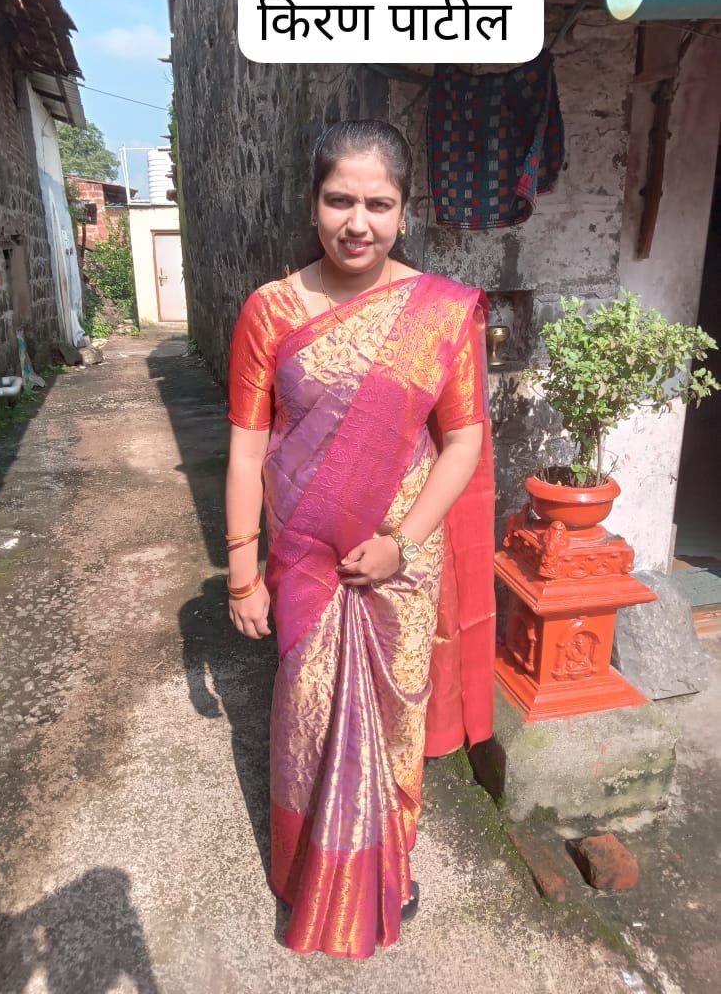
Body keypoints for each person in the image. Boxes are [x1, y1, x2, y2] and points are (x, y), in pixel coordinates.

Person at [225, 120, 495, 959]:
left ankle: (388, 864)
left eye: (379, 204)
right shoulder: (271, 310)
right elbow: (245, 447)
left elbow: (464, 441)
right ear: (312, 204)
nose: (358, 222)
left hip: (399, 563)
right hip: (304, 556)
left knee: (393, 718)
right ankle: (310, 868)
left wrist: (403, 543)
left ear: (404, 212)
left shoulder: (441, 312)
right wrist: (242, 574)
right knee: (305, 718)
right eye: (340, 199)